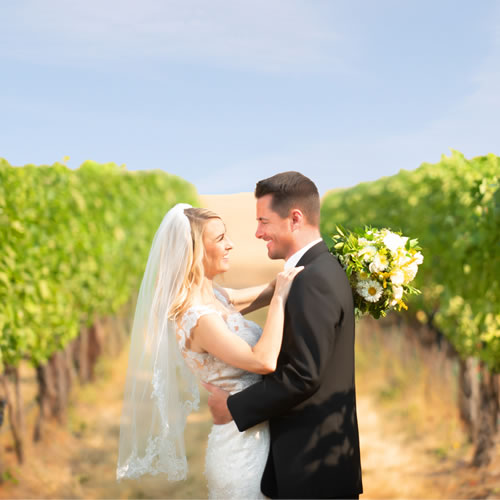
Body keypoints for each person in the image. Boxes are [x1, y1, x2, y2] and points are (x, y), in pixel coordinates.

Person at [116, 203, 302, 499]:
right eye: (219, 239)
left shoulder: (215, 297)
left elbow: (263, 292)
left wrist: (306, 269)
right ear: (194, 252)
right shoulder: (198, 318)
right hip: (241, 450)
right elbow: (263, 360)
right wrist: (279, 300)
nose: (230, 245)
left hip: (255, 432)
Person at [204, 172, 363, 499]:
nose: (258, 232)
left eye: (264, 221)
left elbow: (304, 375)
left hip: (313, 468)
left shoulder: (313, 279)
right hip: (316, 460)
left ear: (294, 219)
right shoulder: (315, 270)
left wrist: (233, 407)